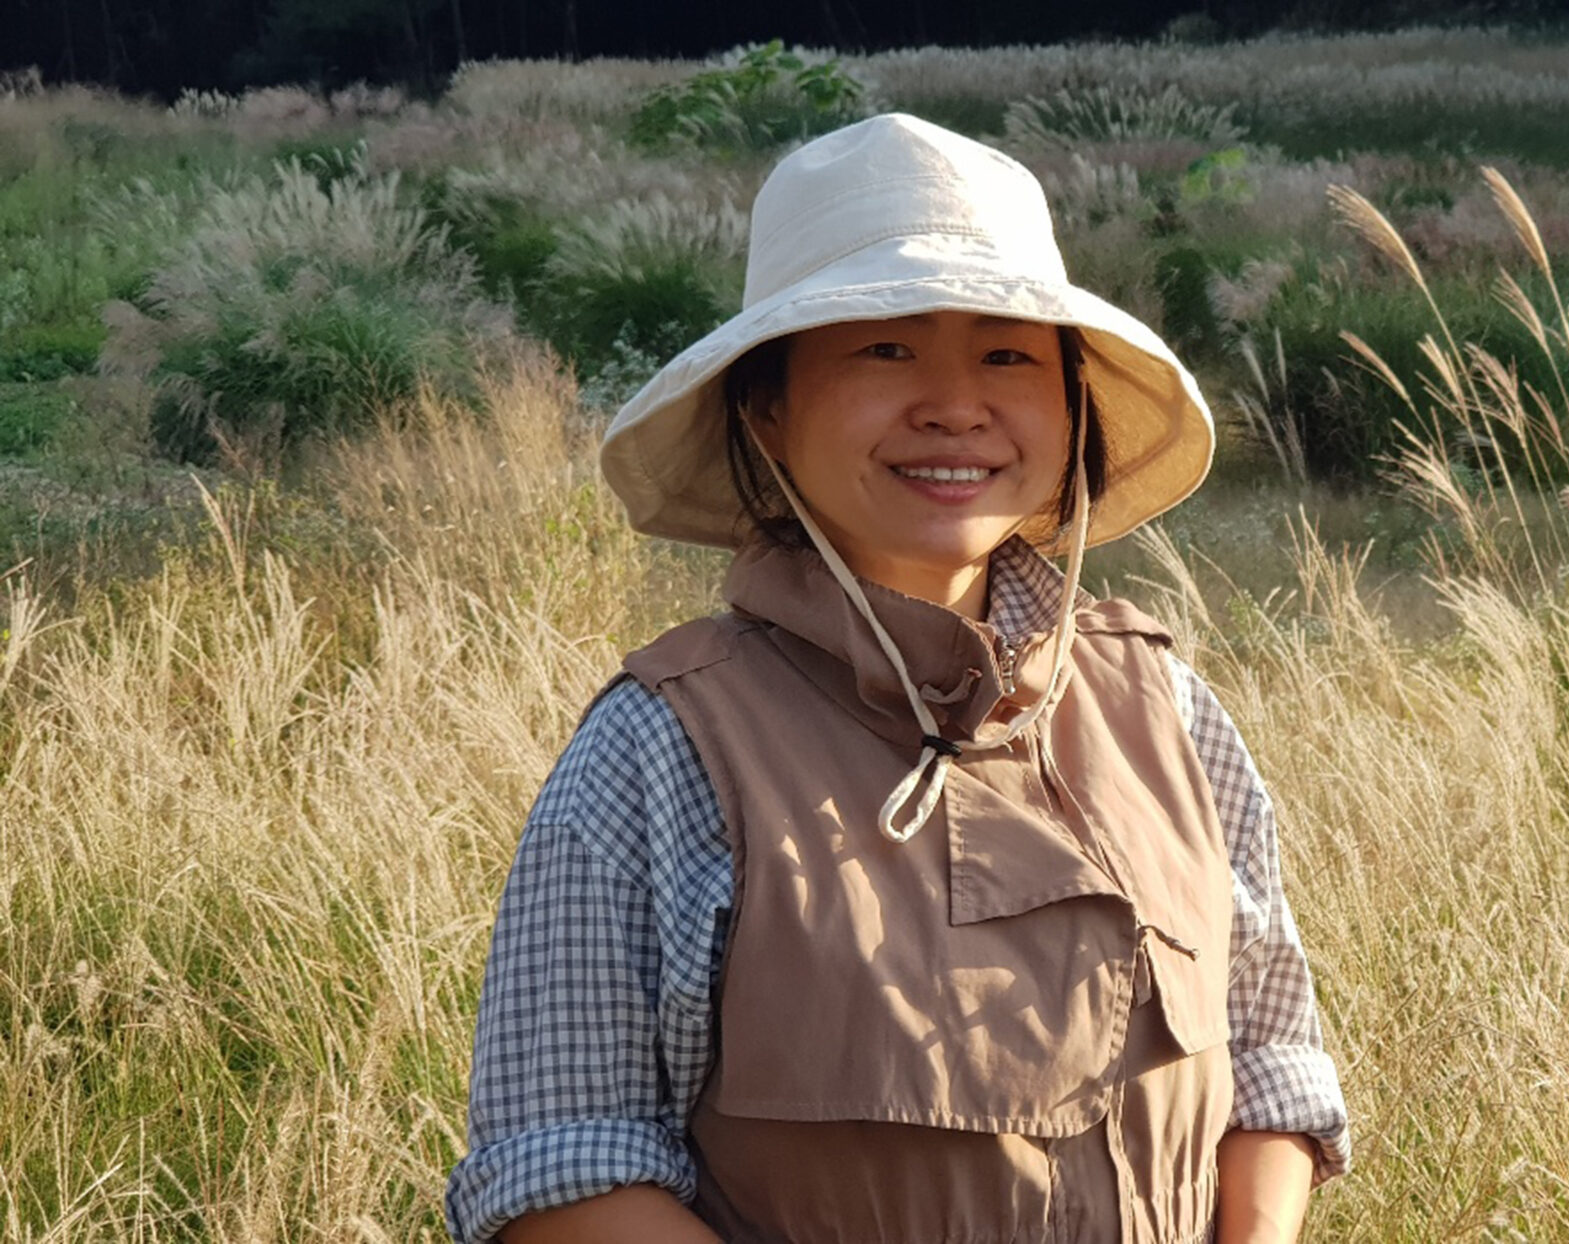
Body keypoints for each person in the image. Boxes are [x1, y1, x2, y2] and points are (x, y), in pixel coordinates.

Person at [444, 113, 1350, 1244]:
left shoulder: (1164, 708)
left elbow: (1271, 1060)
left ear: (1072, 406)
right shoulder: (666, 747)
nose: (955, 405)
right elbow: (560, 1168)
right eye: (884, 349)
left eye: (1008, 355)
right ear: (767, 410)